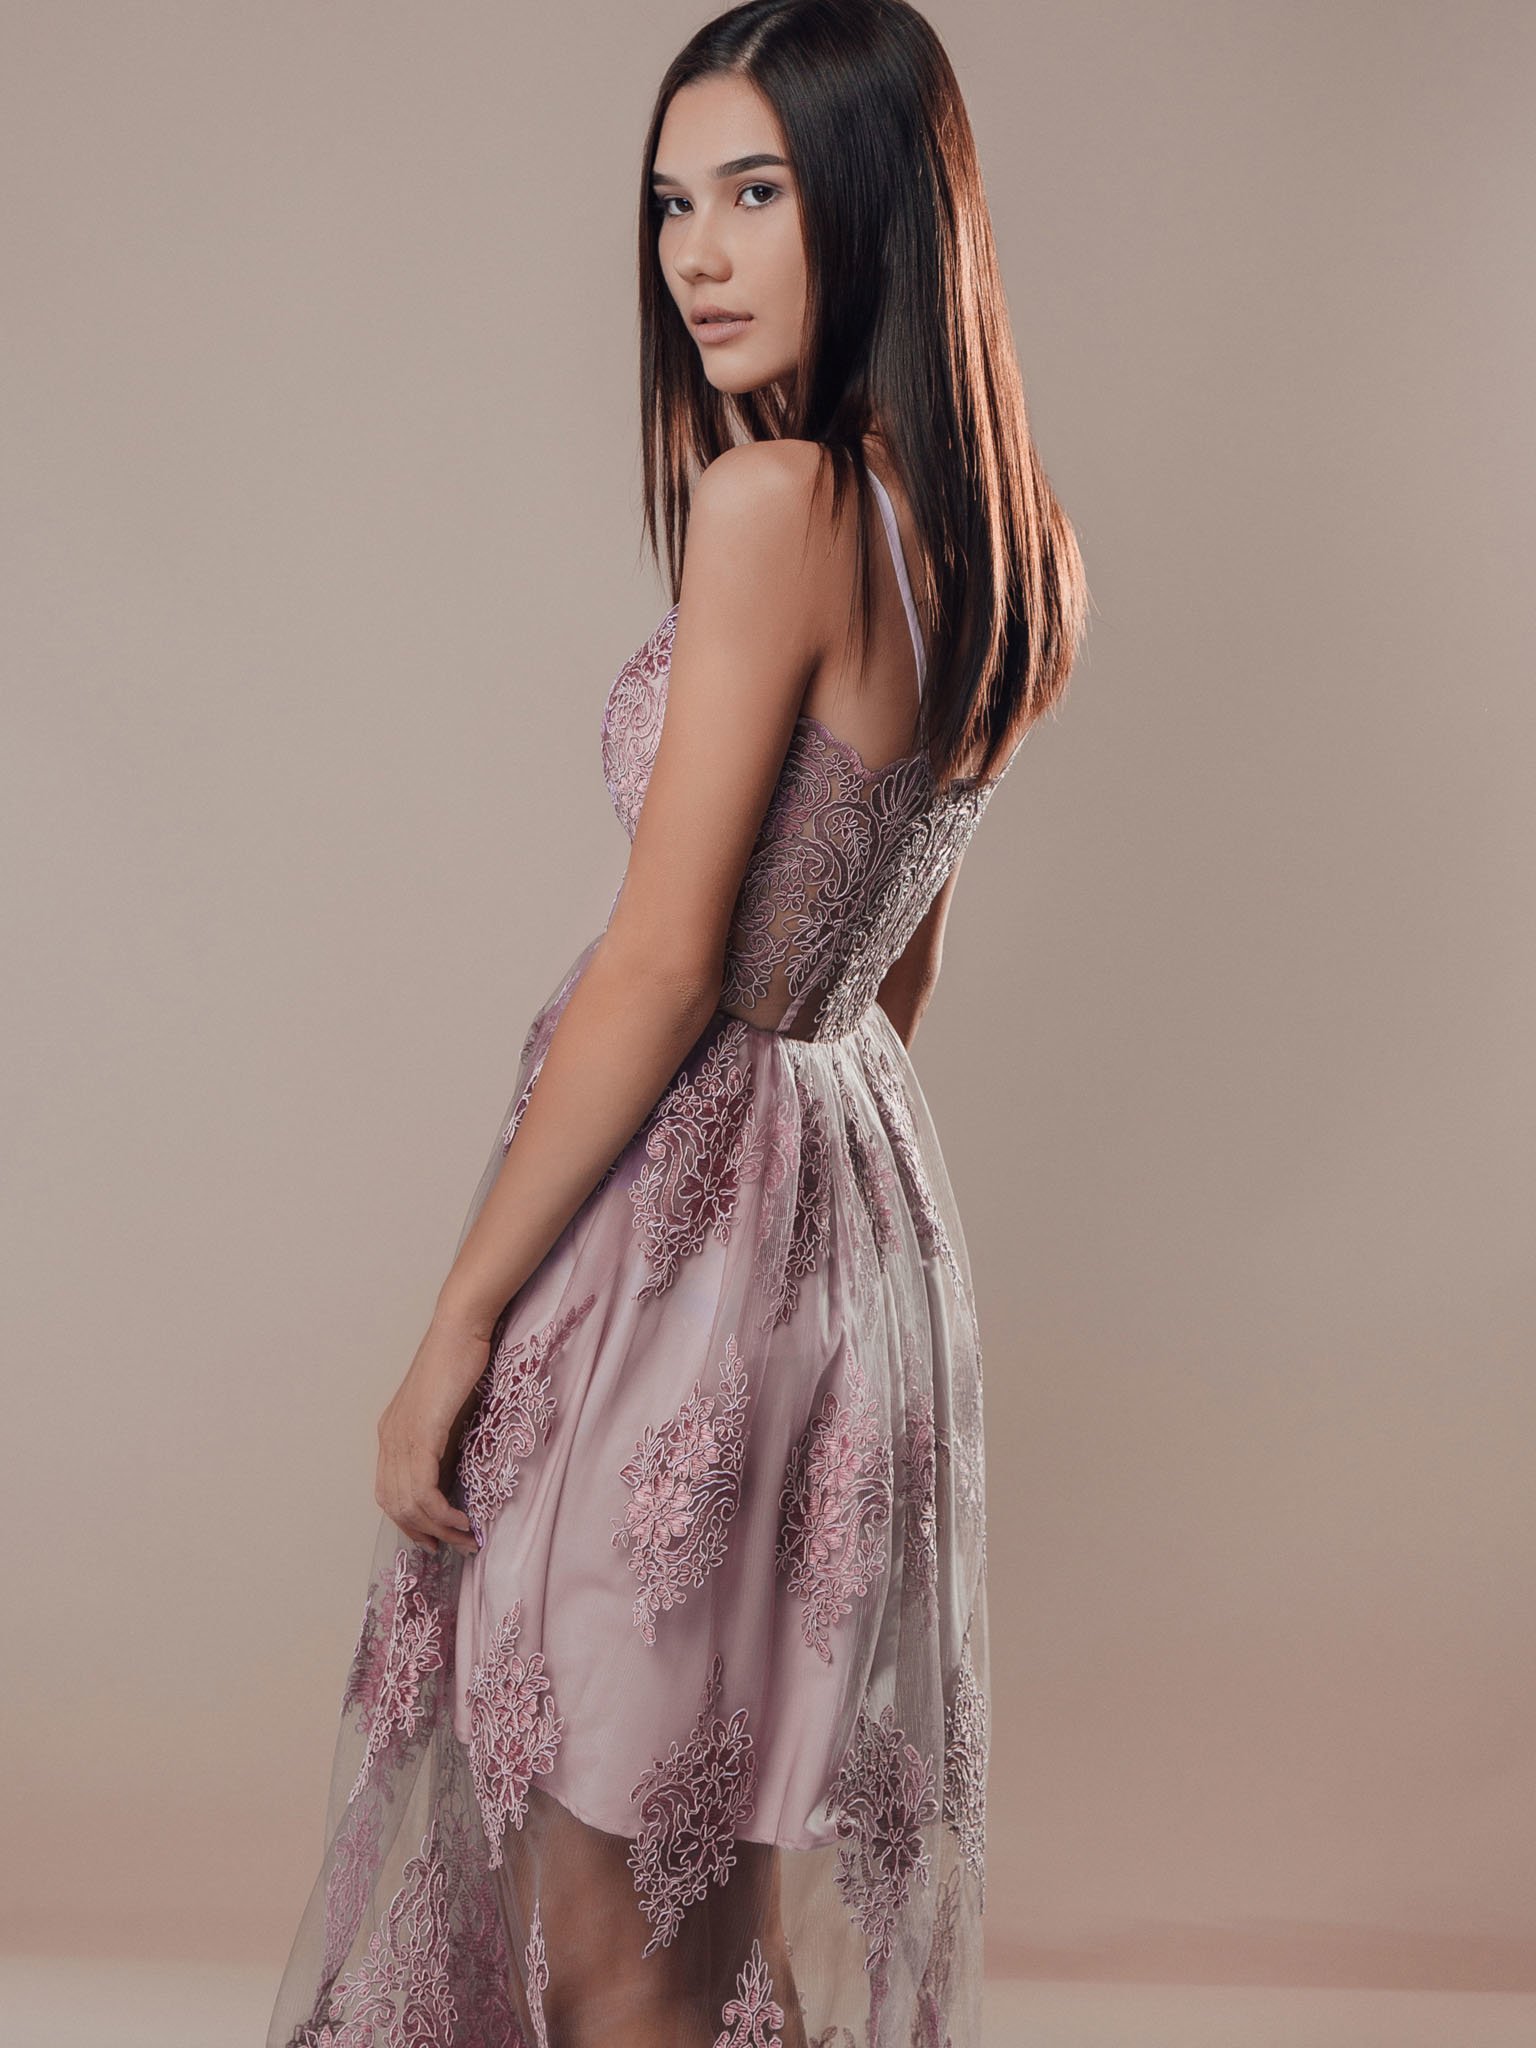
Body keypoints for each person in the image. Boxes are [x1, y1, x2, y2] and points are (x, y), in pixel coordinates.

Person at [267, 3, 1086, 2043]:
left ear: (877, 207)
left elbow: (659, 961)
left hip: (687, 1236)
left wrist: (457, 1325)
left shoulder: (776, 507)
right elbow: (901, 967)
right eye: (670, 204)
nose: (696, 257)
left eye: (755, 194)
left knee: (615, 1913)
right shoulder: (1021, 546)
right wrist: (803, 1223)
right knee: (710, 1895)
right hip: (860, 1228)